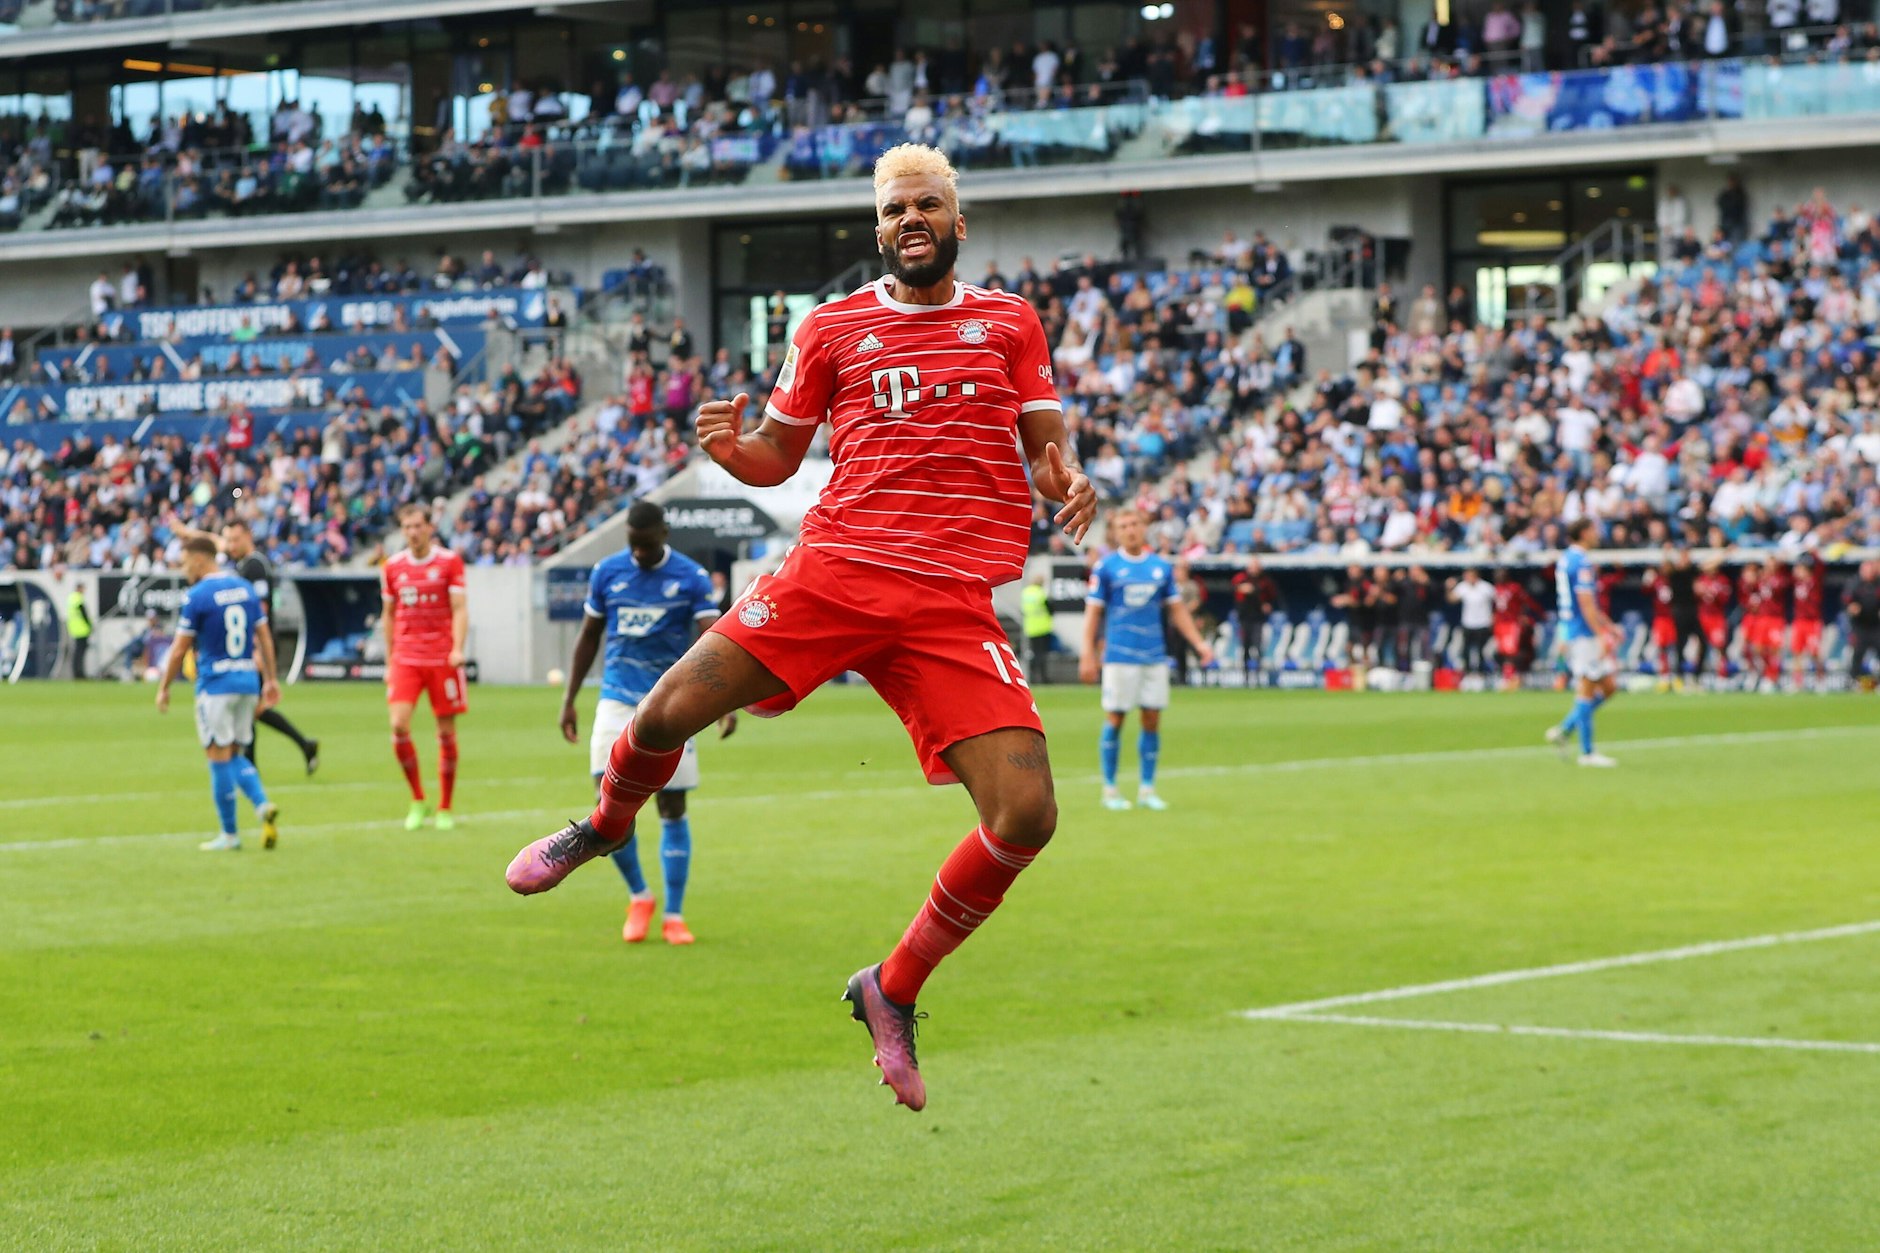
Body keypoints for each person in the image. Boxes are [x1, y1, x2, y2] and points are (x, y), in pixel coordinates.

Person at [504, 144, 1097, 1113]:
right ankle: (602, 824)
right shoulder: (828, 327)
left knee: (1027, 813)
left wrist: (1066, 478)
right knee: (656, 718)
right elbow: (779, 456)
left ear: (958, 222)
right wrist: (733, 453)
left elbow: (1044, 441)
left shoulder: (1008, 323)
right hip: (833, 573)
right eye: (895, 207)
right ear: (876, 227)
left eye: (927, 205)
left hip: (949, 598)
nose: (911, 218)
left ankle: (891, 985)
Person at [558, 501, 734, 946]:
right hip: (616, 698)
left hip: (672, 703)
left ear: (663, 533)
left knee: (671, 807)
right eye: (632, 544)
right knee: (607, 804)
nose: (638, 552)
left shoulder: (691, 577)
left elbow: (713, 636)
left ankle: (674, 914)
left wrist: (725, 699)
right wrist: (569, 698)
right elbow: (589, 636)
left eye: (646, 543)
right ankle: (640, 897)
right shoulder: (607, 573)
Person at [1079, 508, 1214, 812]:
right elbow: (1094, 613)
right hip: (1119, 656)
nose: (1130, 530)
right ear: (1115, 532)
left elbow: (1177, 610)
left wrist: (1199, 644)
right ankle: (1110, 789)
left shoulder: (1160, 568)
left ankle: (1146, 789)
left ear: (1144, 528)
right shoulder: (1106, 568)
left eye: (1134, 524)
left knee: (1152, 719)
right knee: (1116, 718)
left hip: (1154, 655)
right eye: (1123, 525)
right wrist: (1087, 652)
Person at [155, 536, 282, 852]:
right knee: (235, 752)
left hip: (216, 686)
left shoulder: (198, 595)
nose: (184, 569)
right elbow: (264, 636)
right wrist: (271, 678)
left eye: (185, 561)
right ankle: (262, 803)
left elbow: (178, 650)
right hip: (247, 682)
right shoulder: (245, 589)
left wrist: (164, 686)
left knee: (217, 756)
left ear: (199, 559)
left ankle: (229, 834)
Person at [177, 520, 320, 773]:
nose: (230, 545)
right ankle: (299, 746)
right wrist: (188, 532)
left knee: (250, 706)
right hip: (245, 646)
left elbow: (259, 611)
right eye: (228, 540)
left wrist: (254, 651)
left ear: (248, 537)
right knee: (253, 708)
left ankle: (250, 768)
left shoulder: (255, 566)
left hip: (253, 645)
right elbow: (213, 541)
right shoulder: (243, 564)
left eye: (235, 540)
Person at [381, 504, 469, 830]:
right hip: (406, 657)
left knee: (445, 732)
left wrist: (458, 648)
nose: (413, 532)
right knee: (399, 725)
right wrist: (390, 660)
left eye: (418, 525)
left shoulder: (449, 562)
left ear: (429, 528)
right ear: (402, 530)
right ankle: (418, 799)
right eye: (407, 527)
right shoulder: (392, 567)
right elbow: (388, 614)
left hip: (442, 657)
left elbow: (460, 608)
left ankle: (445, 806)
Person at [1545, 519, 1621, 767]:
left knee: (1609, 687)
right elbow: (1586, 603)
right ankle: (1587, 753)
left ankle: (1565, 729)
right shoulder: (1582, 562)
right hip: (1582, 634)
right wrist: (1601, 634)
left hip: (1574, 629)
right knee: (1588, 687)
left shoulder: (1567, 558)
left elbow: (1588, 604)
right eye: (1594, 530)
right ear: (1585, 532)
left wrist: (1609, 626)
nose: (1598, 534)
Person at [1231, 557, 1278, 684]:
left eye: (1256, 567)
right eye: (1252, 566)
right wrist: (1243, 588)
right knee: (1245, 647)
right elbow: (1235, 586)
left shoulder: (1265, 581)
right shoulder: (1241, 578)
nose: (1254, 569)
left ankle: (1258, 675)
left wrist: (1267, 603)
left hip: (1258, 618)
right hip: (1244, 618)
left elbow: (1272, 596)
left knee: (1257, 646)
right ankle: (1245, 676)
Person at [1492, 568, 1537, 688]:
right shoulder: (1495, 589)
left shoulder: (1514, 588)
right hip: (1500, 624)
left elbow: (1527, 602)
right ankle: (1509, 677)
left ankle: (1514, 678)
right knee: (1503, 652)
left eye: (1501, 574)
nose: (1499, 576)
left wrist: (1526, 616)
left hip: (1512, 623)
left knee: (1513, 651)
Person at [1448, 566, 1496, 675]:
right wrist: (1449, 588)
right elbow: (1451, 599)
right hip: (1468, 623)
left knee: (1481, 651)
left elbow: (1497, 602)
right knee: (1465, 650)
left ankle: (1481, 674)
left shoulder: (1486, 587)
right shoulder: (1463, 587)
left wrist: (1494, 617)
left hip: (1483, 623)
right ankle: (1468, 673)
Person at [1787, 554, 1826, 688]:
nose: (1796, 571)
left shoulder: (1815, 581)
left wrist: (1813, 553)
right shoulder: (1797, 582)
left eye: (1800, 568)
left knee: (1814, 652)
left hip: (1813, 621)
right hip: (1799, 621)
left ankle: (1821, 680)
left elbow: (1820, 566)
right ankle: (1797, 682)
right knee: (1797, 652)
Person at [1694, 559, 1734, 679]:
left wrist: (1714, 593)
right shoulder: (1700, 580)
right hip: (1703, 616)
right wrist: (1697, 591)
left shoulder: (1722, 581)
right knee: (1700, 646)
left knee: (1720, 646)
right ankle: (1699, 675)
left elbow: (1725, 599)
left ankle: (1722, 674)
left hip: (1717, 617)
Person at [1845, 560, 1880, 689]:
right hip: (1860, 625)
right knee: (1858, 652)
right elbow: (1846, 599)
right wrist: (1851, 606)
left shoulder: (1878, 583)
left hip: (1876, 625)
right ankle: (1853, 681)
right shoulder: (1855, 583)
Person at [1021, 571, 1056, 687]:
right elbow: (1051, 609)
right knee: (1042, 655)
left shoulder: (1025, 593)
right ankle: (1043, 678)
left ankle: (1033, 677)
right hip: (1042, 627)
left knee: (1034, 654)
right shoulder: (1041, 593)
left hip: (1030, 628)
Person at [65, 579, 92, 680]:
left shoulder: (71, 598)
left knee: (77, 653)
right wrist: (89, 625)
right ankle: (79, 673)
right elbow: (84, 613)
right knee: (80, 653)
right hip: (81, 629)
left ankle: (77, 672)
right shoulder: (78, 598)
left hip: (74, 629)